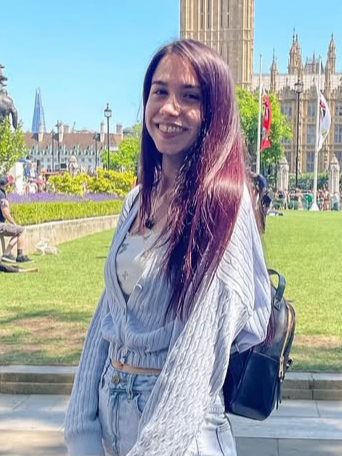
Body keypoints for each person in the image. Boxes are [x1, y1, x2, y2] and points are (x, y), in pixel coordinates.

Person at [64, 40, 272, 456]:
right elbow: (108, 317)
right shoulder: (137, 200)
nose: (169, 108)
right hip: (114, 414)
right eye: (160, 91)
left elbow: (196, 359)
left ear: (214, 113)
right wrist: (80, 430)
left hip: (181, 435)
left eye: (189, 96)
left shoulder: (223, 209)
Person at [0, 175, 30, 262]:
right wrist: (14, 224)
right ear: (7, 185)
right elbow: (5, 213)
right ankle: (15, 255)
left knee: (19, 231)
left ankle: (7, 253)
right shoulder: (0, 194)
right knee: (21, 230)